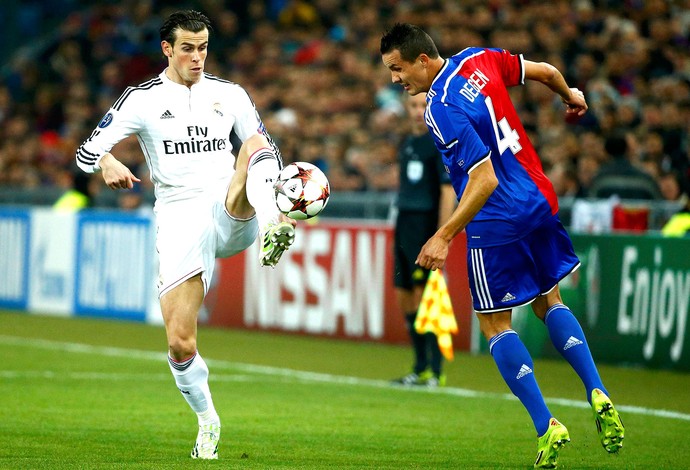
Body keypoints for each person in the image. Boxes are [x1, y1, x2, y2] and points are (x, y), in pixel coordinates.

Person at [381, 23, 624, 468]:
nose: (396, 80)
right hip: (539, 197)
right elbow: (548, 71)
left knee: (495, 325)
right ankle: (597, 390)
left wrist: (444, 235)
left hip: (498, 219)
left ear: (422, 59)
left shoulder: (439, 108)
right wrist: (570, 94)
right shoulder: (479, 58)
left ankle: (546, 425)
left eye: (398, 69)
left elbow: (484, 179)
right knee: (549, 300)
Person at [75, 10, 296, 460]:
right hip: (178, 214)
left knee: (253, 144)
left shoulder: (229, 94)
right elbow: (85, 151)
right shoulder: (141, 99)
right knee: (180, 343)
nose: (197, 57)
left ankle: (275, 220)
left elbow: (263, 147)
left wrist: (272, 195)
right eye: (188, 49)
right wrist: (106, 162)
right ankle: (208, 422)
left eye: (203, 48)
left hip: (228, 206)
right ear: (167, 50)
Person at [391, 92, 455, 388]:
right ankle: (418, 367)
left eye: (423, 106)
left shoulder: (437, 143)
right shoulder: (406, 143)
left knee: (425, 298)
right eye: (414, 106)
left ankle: (435, 369)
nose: (419, 111)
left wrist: (442, 235)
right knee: (404, 296)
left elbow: (447, 192)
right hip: (403, 223)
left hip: (425, 227)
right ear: (407, 108)